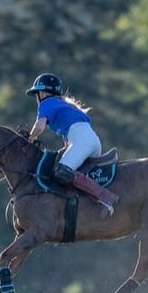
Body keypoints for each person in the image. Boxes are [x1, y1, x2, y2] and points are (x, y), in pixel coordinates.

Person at [25, 73, 119, 216]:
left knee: (62, 172)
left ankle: (106, 197)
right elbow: (70, 139)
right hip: (92, 141)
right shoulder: (64, 105)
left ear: (42, 92)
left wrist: (30, 138)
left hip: (83, 141)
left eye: (37, 94)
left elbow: (39, 127)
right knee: (71, 172)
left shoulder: (46, 103)